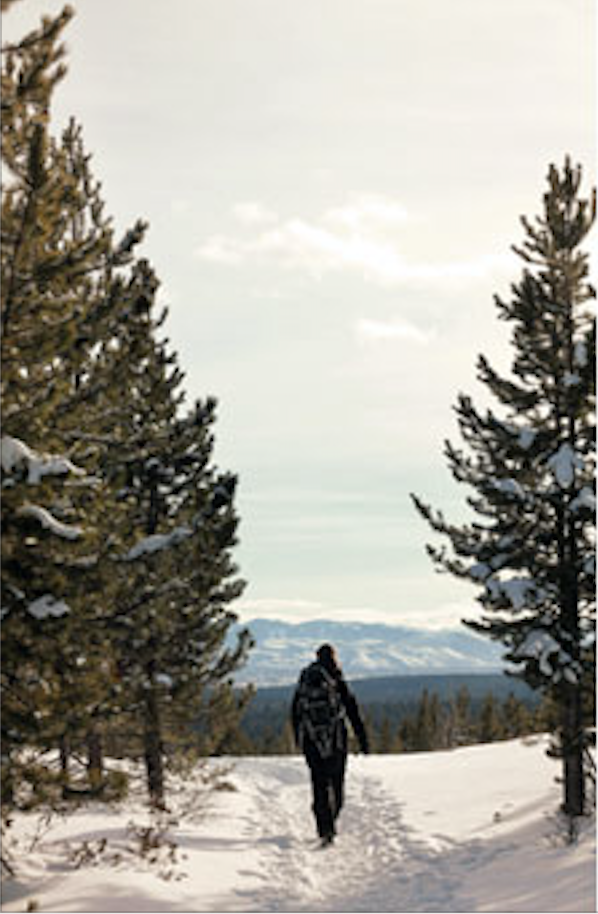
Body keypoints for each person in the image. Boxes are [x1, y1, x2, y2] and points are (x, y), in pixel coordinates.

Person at [291, 643, 369, 846]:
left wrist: (298, 737)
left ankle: (325, 829)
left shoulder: (306, 678)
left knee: (319, 783)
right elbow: (352, 708)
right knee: (336, 784)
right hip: (336, 740)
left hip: (312, 740)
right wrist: (362, 738)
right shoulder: (336, 677)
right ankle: (331, 819)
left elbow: (296, 709)